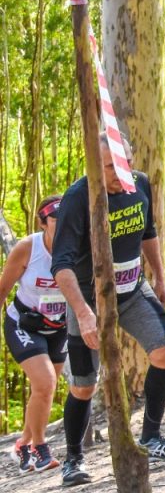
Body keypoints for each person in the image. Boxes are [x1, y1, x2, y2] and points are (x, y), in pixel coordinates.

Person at [51, 134, 165, 487]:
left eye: (123, 162)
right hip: (88, 298)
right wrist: (82, 313)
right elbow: (61, 265)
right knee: (84, 386)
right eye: (110, 166)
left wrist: (159, 277)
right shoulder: (77, 198)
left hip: (132, 289)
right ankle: (73, 460)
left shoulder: (139, 183)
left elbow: (149, 231)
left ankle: (151, 438)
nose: (120, 172)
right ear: (94, 167)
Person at [2, 195, 67, 473]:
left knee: (43, 390)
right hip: (23, 324)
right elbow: (3, 288)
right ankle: (40, 450)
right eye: (55, 219)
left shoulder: (79, 247)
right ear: (43, 223)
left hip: (58, 327)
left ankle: (23, 444)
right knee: (45, 382)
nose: (62, 224)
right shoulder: (28, 248)